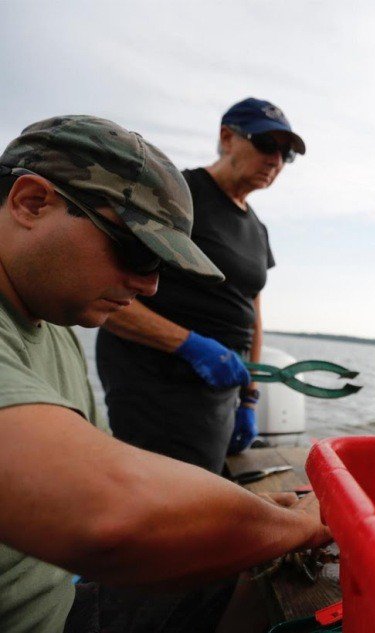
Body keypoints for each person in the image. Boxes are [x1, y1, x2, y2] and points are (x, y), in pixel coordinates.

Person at [0, 115, 329, 632]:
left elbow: (108, 464)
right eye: (134, 249)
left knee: (250, 579)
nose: (151, 287)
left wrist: (237, 507)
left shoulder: (53, 327)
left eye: (162, 265)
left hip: (62, 596)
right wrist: (295, 528)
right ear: (31, 202)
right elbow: (107, 514)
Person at [96, 97, 306, 473]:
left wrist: (250, 399)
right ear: (227, 138)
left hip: (222, 386)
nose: (276, 160)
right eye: (266, 144)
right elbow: (101, 290)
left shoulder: (257, 228)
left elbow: (252, 310)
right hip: (156, 380)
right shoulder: (177, 196)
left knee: (207, 483)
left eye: (286, 155)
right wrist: (188, 345)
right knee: (166, 495)